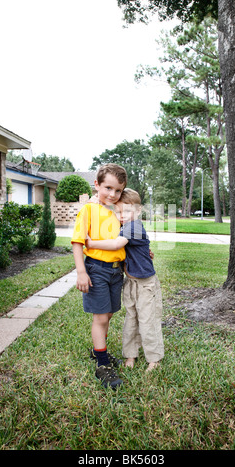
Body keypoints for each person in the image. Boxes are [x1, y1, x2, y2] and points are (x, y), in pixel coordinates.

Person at [86, 188, 164, 372]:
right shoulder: (124, 226)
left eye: (127, 211)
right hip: (130, 282)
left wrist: (90, 243)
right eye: (118, 211)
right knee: (131, 320)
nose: (121, 215)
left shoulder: (133, 225)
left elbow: (116, 244)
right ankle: (130, 355)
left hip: (146, 284)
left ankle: (154, 359)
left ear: (138, 211)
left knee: (147, 320)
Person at [71, 163, 127, 389]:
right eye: (108, 188)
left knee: (109, 314)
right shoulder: (89, 210)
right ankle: (102, 364)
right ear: (97, 185)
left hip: (116, 270)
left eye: (118, 191)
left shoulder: (118, 212)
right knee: (100, 318)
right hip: (96, 269)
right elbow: (78, 242)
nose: (113, 194)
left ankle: (98, 350)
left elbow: (123, 240)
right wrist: (82, 272)